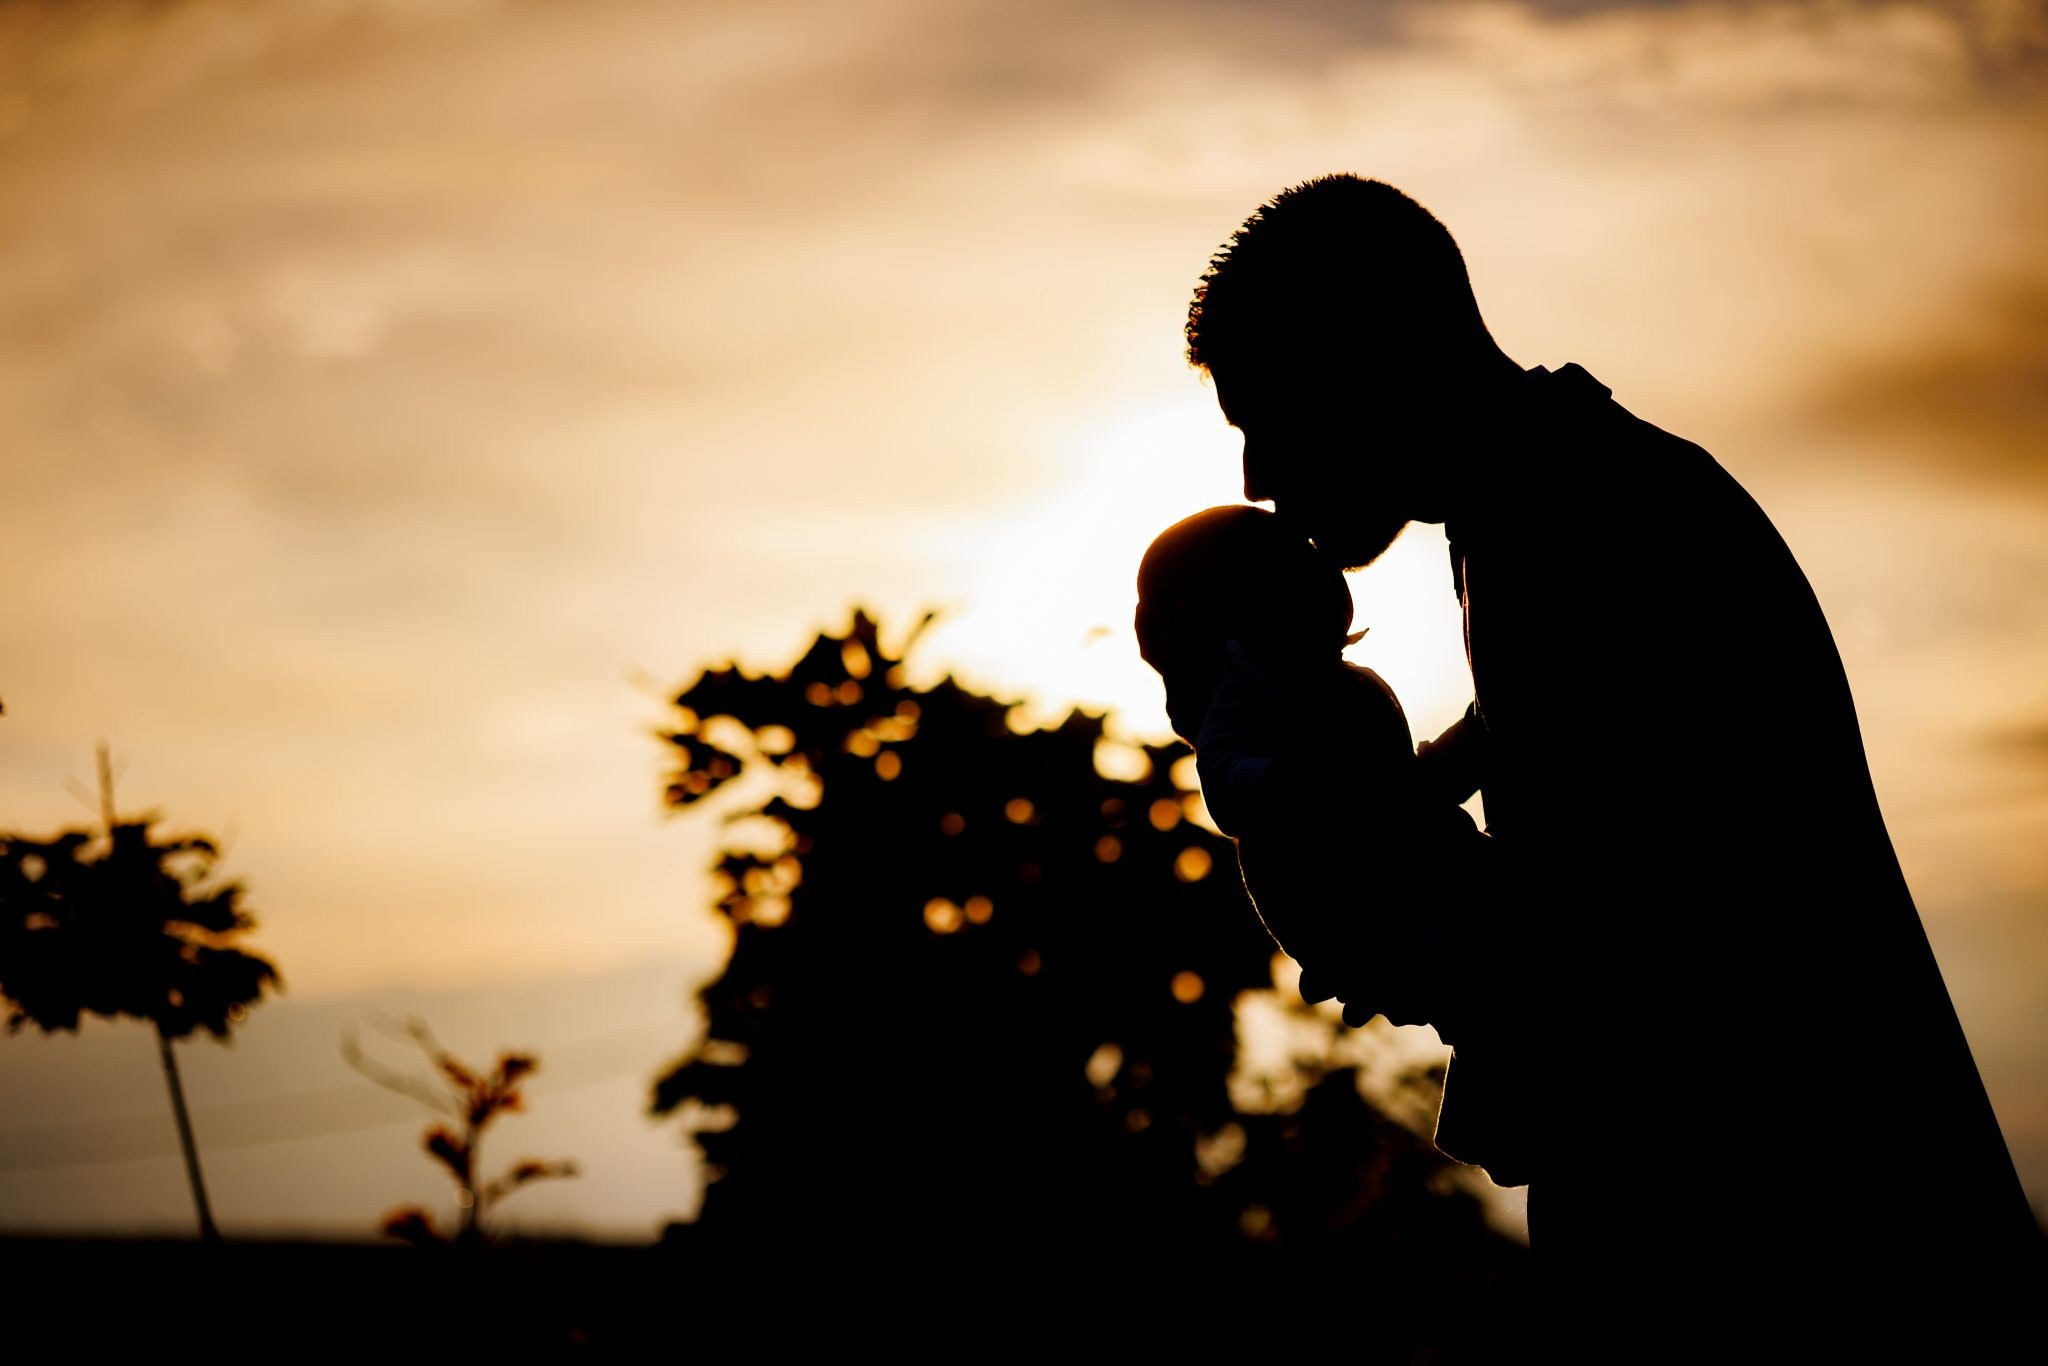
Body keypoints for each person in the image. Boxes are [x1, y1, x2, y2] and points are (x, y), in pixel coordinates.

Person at [1183, 174, 2042, 1350]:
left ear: (1363, 359)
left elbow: (1649, 950)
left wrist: (1399, 912)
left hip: (1790, 1252)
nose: (1254, 481)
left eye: (1267, 419)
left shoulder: (1581, 526)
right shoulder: (1547, 502)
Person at [1132, 503, 1494, 1040]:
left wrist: (1472, 745)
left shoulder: (1345, 684)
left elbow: (1404, 791)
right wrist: (1284, 780)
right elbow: (1226, 778)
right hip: (1336, 886)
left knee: (1467, 899)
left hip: (1408, 841)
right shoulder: (1246, 700)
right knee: (1443, 946)